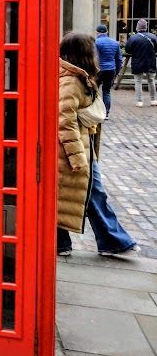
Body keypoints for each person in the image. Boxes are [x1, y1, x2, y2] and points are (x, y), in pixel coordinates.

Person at [57, 32, 139, 257]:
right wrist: (77, 158)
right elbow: (65, 122)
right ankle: (113, 240)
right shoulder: (70, 80)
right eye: (91, 50)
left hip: (81, 147)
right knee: (90, 193)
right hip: (73, 151)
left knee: (74, 195)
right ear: (83, 53)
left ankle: (61, 243)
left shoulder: (76, 76)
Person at [124, 19, 157, 107]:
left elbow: (127, 49)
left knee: (138, 82)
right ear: (146, 27)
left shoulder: (133, 38)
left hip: (137, 62)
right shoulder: (153, 37)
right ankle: (153, 100)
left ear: (137, 27)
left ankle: (139, 101)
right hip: (151, 62)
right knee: (151, 81)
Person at [94, 24, 122, 117]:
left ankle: (95, 111)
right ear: (107, 32)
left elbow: (93, 57)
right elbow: (119, 59)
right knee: (106, 91)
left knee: (94, 90)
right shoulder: (115, 43)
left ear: (97, 32)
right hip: (111, 69)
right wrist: (116, 72)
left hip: (98, 70)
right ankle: (106, 113)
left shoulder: (95, 42)